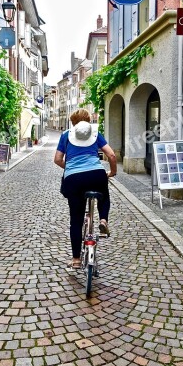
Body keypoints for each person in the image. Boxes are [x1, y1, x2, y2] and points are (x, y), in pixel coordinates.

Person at [54, 109, 117, 269]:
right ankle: (103, 219)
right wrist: (113, 172)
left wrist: (70, 168)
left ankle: (76, 260)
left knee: (75, 220)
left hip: (74, 179)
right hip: (96, 175)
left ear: (73, 123)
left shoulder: (66, 135)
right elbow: (111, 155)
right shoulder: (95, 133)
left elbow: (57, 159)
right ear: (88, 121)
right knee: (104, 195)